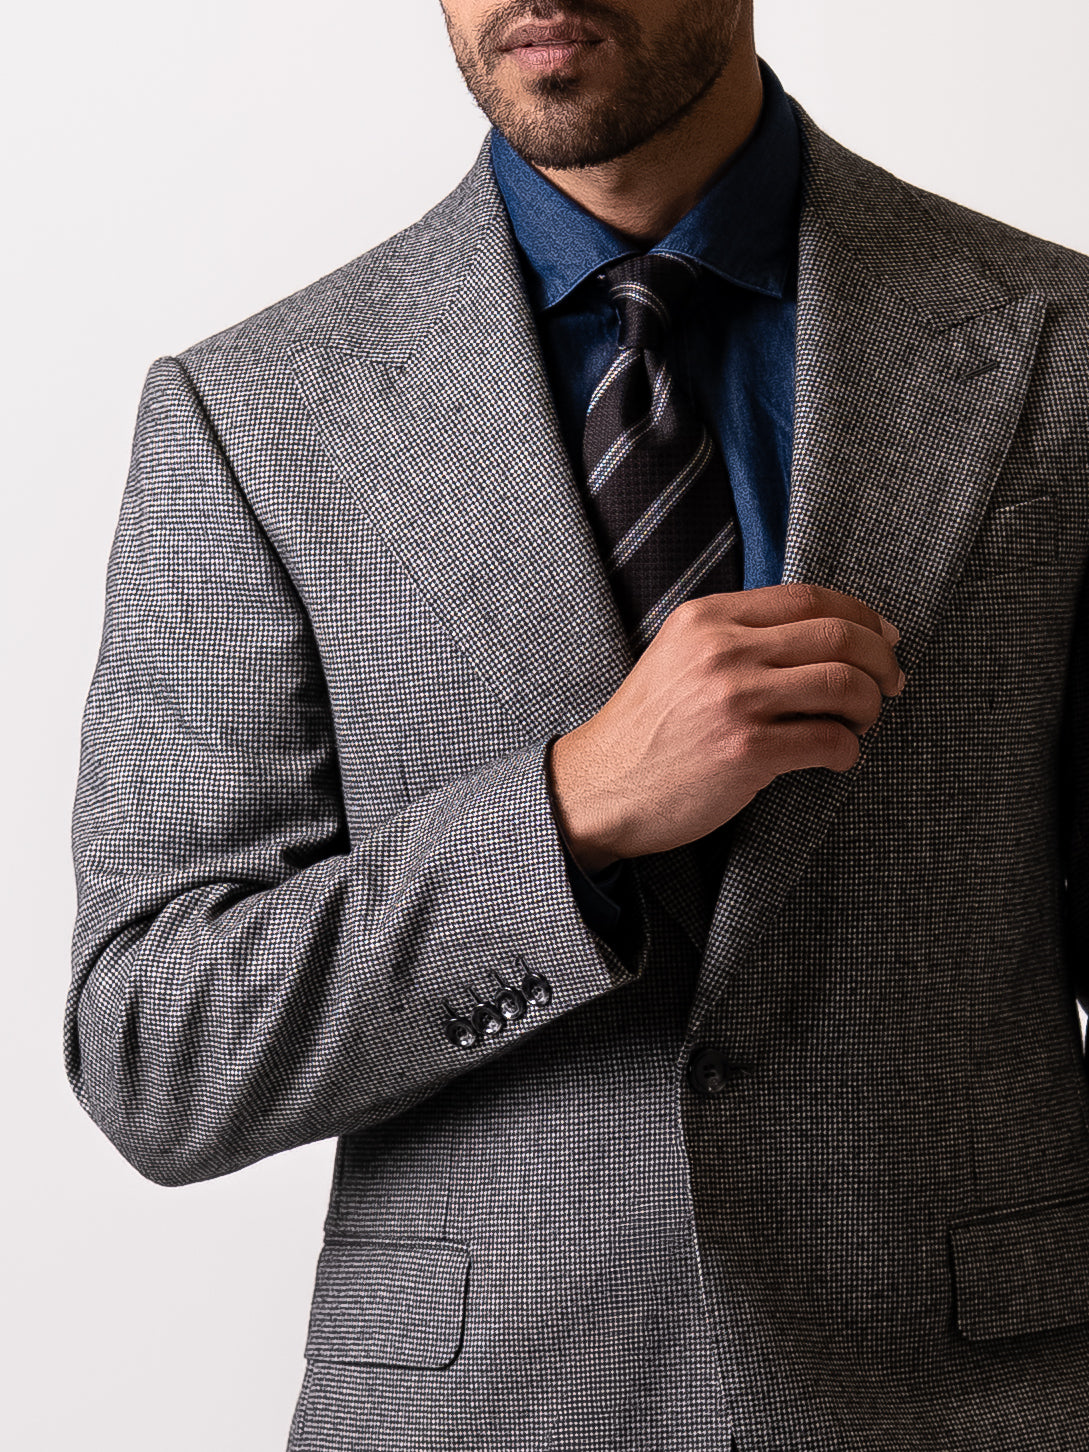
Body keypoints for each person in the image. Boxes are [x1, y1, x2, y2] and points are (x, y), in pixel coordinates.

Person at [66, 0, 1089, 1446]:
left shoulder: (1063, 352)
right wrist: (567, 814)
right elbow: (156, 1051)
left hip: (970, 1400)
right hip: (485, 1411)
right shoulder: (253, 416)